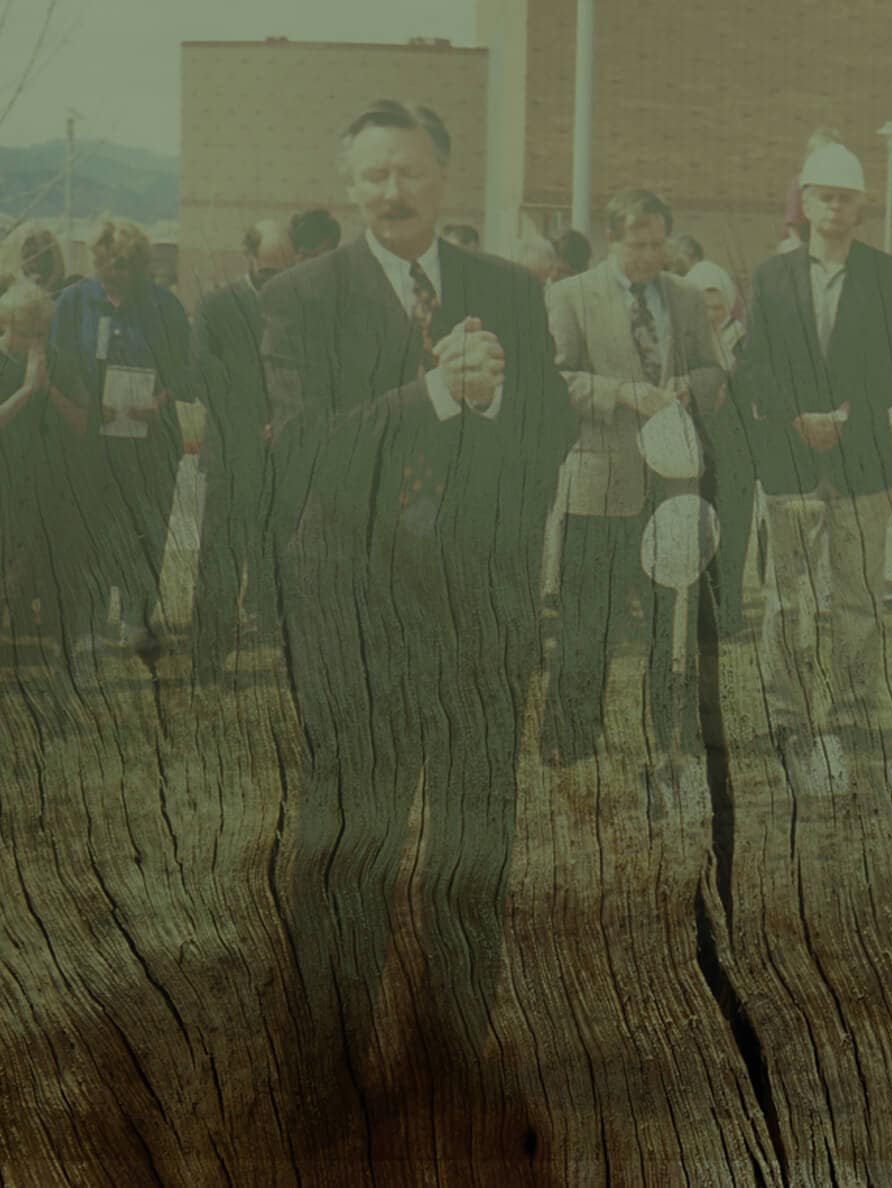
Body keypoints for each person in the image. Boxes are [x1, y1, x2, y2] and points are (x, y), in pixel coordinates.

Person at [262, 99, 576, 1123]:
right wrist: (437, 395)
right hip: (354, 613)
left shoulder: (509, 292)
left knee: (474, 836)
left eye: (408, 171)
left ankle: (453, 1046)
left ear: (444, 176)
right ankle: (330, 1065)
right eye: (373, 175)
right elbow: (304, 454)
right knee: (351, 837)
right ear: (349, 185)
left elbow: (550, 432)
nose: (391, 191)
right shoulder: (303, 296)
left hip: (477, 608)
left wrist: (498, 404)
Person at [734, 140, 892, 788]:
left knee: (858, 596)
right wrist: (797, 417)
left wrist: (844, 415)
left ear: (860, 207)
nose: (836, 208)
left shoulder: (889, 277)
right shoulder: (771, 277)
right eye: (825, 197)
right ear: (806, 204)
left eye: (846, 199)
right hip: (790, 460)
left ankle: (854, 712)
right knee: (787, 597)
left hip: (862, 458)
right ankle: (786, 713)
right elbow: (753, 361)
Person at [541, 189, 725, 771]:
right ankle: (570, 736)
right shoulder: (571, 295)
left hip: (671, 484)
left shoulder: (686, 297)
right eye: (637, 245)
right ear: (611, 239)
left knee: (674, 619)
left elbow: (714, 369)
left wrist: (689, 386)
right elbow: (555, 379)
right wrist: (621, 393)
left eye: (657, 245)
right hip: (598, 480)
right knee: (586, 621)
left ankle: (676, 731)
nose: (649, 257)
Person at [47, 221, 194, 668]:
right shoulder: (72, 302)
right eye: (105, 263)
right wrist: (88, 405)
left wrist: (161, 400)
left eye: (124, 265)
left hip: (150, 443)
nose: (113, 272)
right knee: (89, 532)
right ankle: (89, 625)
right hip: (90, 444)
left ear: (140, 264)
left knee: (145, 529)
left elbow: (185, 368)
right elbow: (57, 365)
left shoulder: (165, 305)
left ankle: (136, 619)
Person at [186, 219, 295, 684]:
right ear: (249, 258)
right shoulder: (216, 306)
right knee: (221, 560)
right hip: (233, 452)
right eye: (267, 272)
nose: (275, 281)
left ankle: (288, 655)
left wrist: (287, 417)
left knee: (282, 558)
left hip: (286, 452)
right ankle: (207, 659)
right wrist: (252, 422)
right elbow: (202, 372)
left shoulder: (304, 305)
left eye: (284, 272)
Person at [0, 283, 86, 653]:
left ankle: (46, 630)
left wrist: (48, 387)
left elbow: (83, 423)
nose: (36, 342)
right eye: (27, 334)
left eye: (42, 333)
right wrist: (26, 391)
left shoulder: (61, 361)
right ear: (5, 324)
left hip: (48, 481)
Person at [685, 258, 755, 634]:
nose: (711, 314)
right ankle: (696, 615)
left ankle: (729, 614)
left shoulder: (743, 340)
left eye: (717, 306)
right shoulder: (680, 343)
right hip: (694, 450)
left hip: (735, 451)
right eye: (703, 306)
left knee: (733, 533)